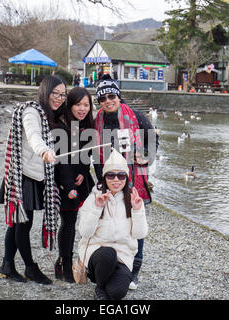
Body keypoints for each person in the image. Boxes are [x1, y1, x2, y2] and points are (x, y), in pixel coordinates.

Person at [0, 75, 67, 285]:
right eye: (55, 93)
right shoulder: (31, 111)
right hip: (23, 176)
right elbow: (33, 135)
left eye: (63, 95)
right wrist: (44, 151)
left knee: (17, 224)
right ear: (45, 91)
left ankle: (7, 265)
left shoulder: (51, 114)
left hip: (36, 174)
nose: (59, 98)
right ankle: (30, 268)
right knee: (23, 225)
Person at [93, 74, 159, 290]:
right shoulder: (97, 122)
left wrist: (145, 154)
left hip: (133, 179)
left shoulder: (136, 117)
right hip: (108, 180)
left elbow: (153, 139)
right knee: (111, 222)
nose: (108, 101)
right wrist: (98, 178)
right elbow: (94, 153)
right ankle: (116, 265)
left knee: (135, 225)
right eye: (102, 99)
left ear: (118, 95)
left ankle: (134, 271)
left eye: (111, 95)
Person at [77, 149, 148, 300]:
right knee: (108, 254)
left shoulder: (132, 199)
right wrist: (97, 208)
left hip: (123, 254)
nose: (116, 180)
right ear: (104, 178)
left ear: (126, 178)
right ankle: (99, 286)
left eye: (121, 175)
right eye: (111, 175)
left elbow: (140, 234)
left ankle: (103, 287)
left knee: (117, 292)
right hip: (97, 251)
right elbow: (85, 232)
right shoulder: (94, 197)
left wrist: (137, 211)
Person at [53, 87, 95, 283]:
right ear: (70, 104)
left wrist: (82, 172)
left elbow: (87, 156)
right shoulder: (61, 126)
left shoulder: (87, 124)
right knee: (68, 222)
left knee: (86, 220)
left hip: (82, 181)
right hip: (63, 182)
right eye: (78, 104)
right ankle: (63, 262)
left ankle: (86, 261)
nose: (82, 108)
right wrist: (69, 185)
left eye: (86, 105)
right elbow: (62, 161)